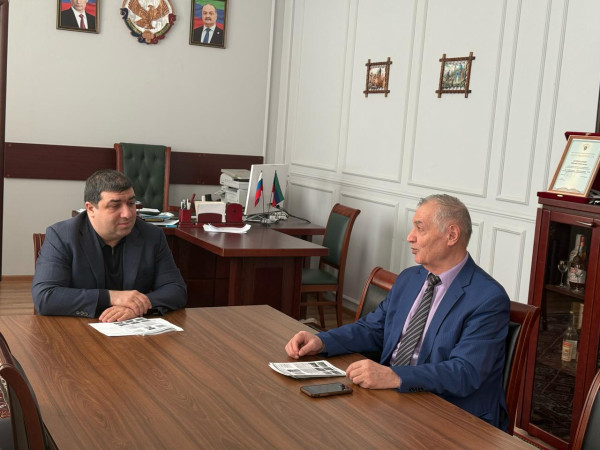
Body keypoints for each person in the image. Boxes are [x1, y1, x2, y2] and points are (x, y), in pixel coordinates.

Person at [285, 194, 510, 431]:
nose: (410, 237)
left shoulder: (487, 298)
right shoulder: (409, 278)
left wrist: (395, 376)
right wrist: (322, 341)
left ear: (452, 235)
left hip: (451, 415)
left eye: (420, 228)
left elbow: (465, 372)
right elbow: (373, 329)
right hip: (391, 401)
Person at [32, 169, 187, 322]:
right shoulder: (62, 236)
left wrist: (136, 306)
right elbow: (45, 297)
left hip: (133, 329)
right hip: (78, 327)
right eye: (115, 206)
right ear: (90, 209)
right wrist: (113, 297)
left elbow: (176, 289)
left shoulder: (152, 235)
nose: (127, 214)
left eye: (131, 203)